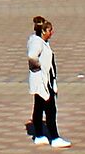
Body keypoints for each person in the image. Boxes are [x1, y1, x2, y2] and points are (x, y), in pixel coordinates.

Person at [24, 13, 69, 148]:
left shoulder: (41, 41)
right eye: (50, 30)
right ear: (43, 31)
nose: (52, 33)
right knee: (50, 109)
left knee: (38, 107)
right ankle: (54, 137)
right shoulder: (37, 43)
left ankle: (39, 135)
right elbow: (32, 56)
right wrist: (38, 66)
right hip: (42, 81)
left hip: (44, 80)